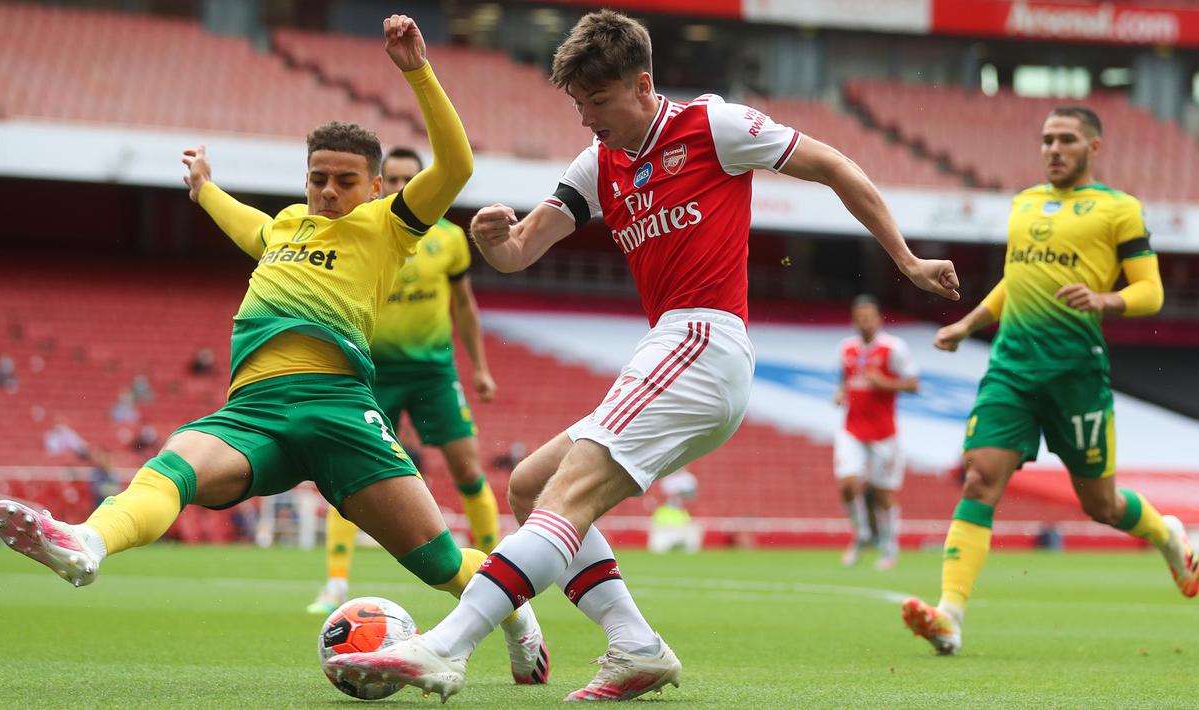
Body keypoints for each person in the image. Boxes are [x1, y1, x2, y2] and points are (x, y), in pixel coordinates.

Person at [326, 9, 960, 703]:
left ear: (642, 86)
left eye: (597, 101)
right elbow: (520, 252)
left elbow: (834, 165)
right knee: (532, 485)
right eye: (577, 104)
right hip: (674, 347)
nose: (586, 118)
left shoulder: (713, 125)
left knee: (564, 495)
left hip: (704, 340)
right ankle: (634, 645)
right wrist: (494, 240)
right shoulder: (597, 163)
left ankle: (445, 647)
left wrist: (905, 258)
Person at [0, 15, 548, 685]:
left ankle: (516, 616)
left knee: (438, 564)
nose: (329, 191)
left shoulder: (388, 226)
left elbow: (456, 166)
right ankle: (86, 542)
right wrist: (204, 190)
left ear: (376, 187)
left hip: (336, 407)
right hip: (253, 410)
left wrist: (417, 72)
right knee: (175, 463)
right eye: (318, 178)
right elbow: (249, 227)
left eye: (345, 180)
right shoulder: (286, 227)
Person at [901, 106, 1199, 657]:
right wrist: (969, 324)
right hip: (1012, 368)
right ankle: (949, 616)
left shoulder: (1119, 209)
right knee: (979, 480)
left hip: (1076, 374)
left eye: (1066, 139)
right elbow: (1015, 281)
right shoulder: (1024, 203)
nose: (1054, 149)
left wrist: (1105, 299)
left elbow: (1151, 291)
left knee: (1101, 505)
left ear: (1094, 147)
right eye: (1047, 140)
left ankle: (1166, 535)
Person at [303, 146, 502, 615]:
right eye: (391, 180)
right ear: (379, 185)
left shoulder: (449, 238)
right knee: (348, 475)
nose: (400, 188)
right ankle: (335, 583)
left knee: (467, 469)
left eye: (409, 180)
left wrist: (480, 367)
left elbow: (465, 305)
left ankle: (499, 575)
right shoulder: (360, 232)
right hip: (372, 371)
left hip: (433, 371)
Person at [833, 295, 918, 570]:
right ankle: (862, 535)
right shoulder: (846, 348)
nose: (865, 322)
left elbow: (914, 384)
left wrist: (884, 383)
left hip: (884, 433)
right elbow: (846, 379)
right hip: (852, 429)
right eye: (860, 318)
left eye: (869, 317)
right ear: (854, 320)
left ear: (879, 319)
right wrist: (841, 392)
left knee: (883, 495)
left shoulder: (893, 348)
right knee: (847, 484)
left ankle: (889, 547)